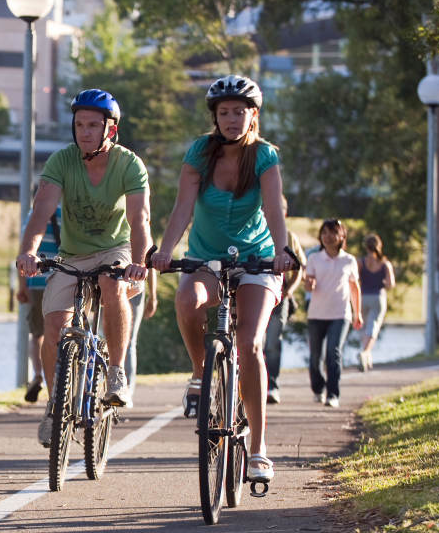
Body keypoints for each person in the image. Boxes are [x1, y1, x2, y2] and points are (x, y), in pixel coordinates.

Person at [149, 75, 296, 485]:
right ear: (215, 117)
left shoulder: (264, 156)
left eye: (240, 112)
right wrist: (165, 249)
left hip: (257, 261)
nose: (232, 119)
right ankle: (201, 372)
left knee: (250, 344)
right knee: (186, 301)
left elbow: (273, 209)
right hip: (205, 256)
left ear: (254, 115)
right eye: (224, 112)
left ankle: (259, 450)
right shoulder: (200, 152)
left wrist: (282, 253)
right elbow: (182, 207)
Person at [15, 88, 152, 447]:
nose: (85, 132)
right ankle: (54, 405)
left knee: (112, 285)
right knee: (54, 326)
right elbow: (40, 213)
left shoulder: (129, 164)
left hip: (116, 248)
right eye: (79, 125)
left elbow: (140, 220)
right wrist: (28, 252)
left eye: (94, 125)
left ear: (111, 129)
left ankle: (117, 374)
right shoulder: (61, 161)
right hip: (72, 255)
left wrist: (139, 263)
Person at [303, 218, 363, 409]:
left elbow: (355, 289)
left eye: (332, 233)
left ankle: (333, 394)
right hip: (316, 314)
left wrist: (357, 313)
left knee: (333, 353)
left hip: (340, 314)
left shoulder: (349, 260)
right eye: (324, 233)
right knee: (315, 357)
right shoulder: (314, 259)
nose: (328, 237)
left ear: (341, 236)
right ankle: (318, 388)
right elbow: (308, 284)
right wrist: (309, 284)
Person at [262, 196, 306, 404]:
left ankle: (272, 386)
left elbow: (299, 268)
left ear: (284, 213)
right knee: (253, 342)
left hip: (280, 298)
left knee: (272, 342)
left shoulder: (289, 236)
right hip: (256, 293)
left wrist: (289, 291)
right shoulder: (254, 232)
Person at [16, 205, 61, 403]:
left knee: (37, 334)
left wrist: (22, 286)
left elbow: (23, 252)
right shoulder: (70, 211)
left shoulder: (33, 215)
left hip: (37, 281)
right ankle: (61, 374)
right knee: (62, 331)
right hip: (64, 279)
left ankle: (38, 374)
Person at [356, 233, 395, 372]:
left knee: (363, 326)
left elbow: (355, 280)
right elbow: (390, 284)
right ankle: (365, 353)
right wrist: (382, 282)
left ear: (366, 247)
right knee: (373, 326)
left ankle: (366, 355)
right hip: (378, 297)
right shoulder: (385, 264)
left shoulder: (361, 262)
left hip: (362, 297)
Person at [123, 271, 157, 408]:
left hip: (134, 285)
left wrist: (153, 296)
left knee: (129, 341)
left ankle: (127, 391)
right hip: (111, 280)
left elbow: (151, 265)